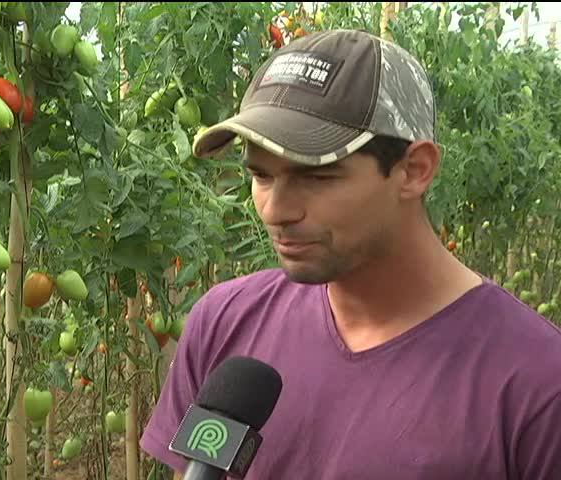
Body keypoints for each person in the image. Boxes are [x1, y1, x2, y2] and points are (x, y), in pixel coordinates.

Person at [139, 29, 561, 479]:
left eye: (316, 177)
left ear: (414, 171)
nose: (276, 210)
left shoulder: (536, 384)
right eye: (262, 176)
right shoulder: (224, 322)